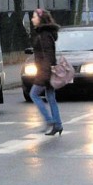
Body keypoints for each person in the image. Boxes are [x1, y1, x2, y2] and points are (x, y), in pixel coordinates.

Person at [30, 8, 63, 136]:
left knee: (34, 94)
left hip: (45, 71)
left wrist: (45, 74)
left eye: (34, 17)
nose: (32, 19)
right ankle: (58, 125)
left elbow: (48, 55)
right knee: (51, 98)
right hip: (48, 70)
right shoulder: (46, 33)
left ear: (40, 19)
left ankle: (49, 120)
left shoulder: (44, 35)